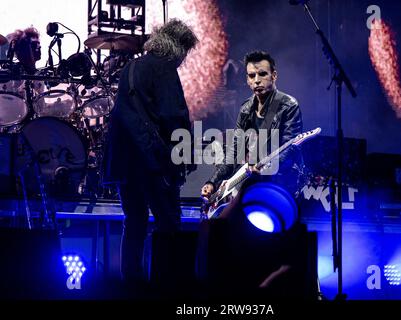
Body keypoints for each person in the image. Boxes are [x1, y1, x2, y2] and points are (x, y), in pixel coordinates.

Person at [102, 19, 198, 286]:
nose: (183, 60)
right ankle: (168, 284)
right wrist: (181, 155)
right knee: (169, 223)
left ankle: (131, 284)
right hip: (154, 162)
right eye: (185, 53)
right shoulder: (164, 68)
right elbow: (173, 115)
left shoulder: (130, 68)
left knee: (134, 222)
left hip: (125, 160)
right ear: (177, 48)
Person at [201, 50, 304, 202]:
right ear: (247, 80)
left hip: (280, 182)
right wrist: (212, 182)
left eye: (262, 74)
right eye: (251, 75)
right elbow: (234, 151)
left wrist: (266, 167)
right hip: (250, 181)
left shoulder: (288, 105)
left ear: (274, 76)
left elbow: (290, 149)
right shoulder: (246, 108)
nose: (257, 80)